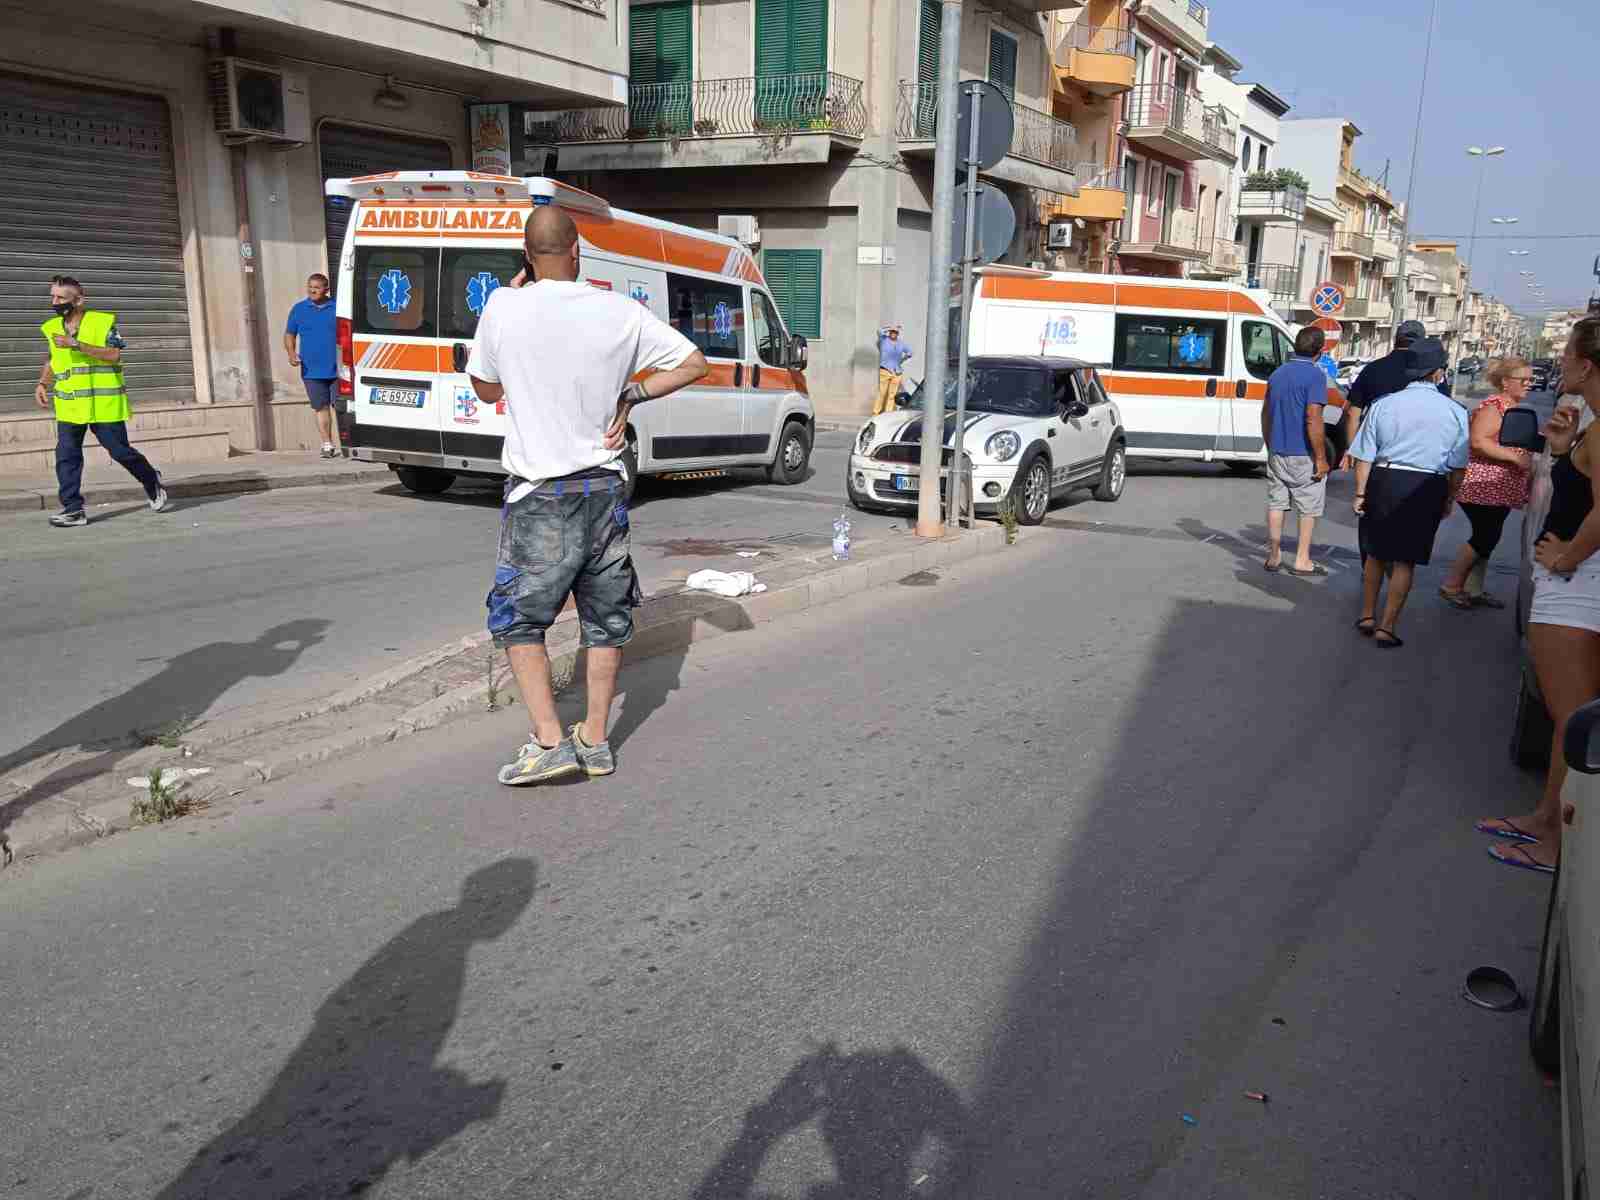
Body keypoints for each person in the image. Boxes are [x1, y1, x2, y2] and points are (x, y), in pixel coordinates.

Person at [467, 206, 708, 787]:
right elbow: (693, 364)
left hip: (538, 495)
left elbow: (484, 385)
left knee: (520, 621)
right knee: (606, 619)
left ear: (528, 256)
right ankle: (596, 740)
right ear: (578, 251)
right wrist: (629, 397)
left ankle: (551, 740)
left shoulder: (503, 306)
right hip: (604, 489)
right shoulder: (619, 310)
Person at [1482, 317, 1600, 874]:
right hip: (1574, 586)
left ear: (1587, 364)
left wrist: (1567, 556)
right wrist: (1558, 447)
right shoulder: (1591, 427)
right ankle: (1543, 819)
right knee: (1564, 719)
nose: (1562, 364)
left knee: (1572, 721)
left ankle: (1557, 847)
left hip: (1579, 588)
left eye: (1569, 354)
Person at [1348, 337, 1469, 647]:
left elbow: (1364, 454)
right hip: (1427, 485)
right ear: (1439, 373)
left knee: (1376, 552)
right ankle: (1387, 627)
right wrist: (1449, 498)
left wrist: (1360, 493)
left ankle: (1366, 614)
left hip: (1384, 480)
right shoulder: (1455, 411)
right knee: (1404, 560)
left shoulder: (1383, 404)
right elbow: (1458, 465)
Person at [35, 274, 169, 527]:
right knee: (67, 456)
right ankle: (73, 509)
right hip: (71, 405)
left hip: (104, 405)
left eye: (61, 297)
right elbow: (52, 358)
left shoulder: (103, 322)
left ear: (79, 300)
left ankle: (151, 480)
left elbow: (114, 354)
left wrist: (77, 344)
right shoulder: (51, 327)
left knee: (120, 452)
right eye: (52, 296)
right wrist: (43, 382)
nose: (55, 301)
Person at [1438, 356, 1534, 609]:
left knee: (1489, 536)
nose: (1529, 384)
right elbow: (1479, 441)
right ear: (1505, 382)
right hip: (1483, 484)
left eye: (1530, 379)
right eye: (1523, 380)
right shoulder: (1494, 407)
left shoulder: (1510, 406)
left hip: (1499, 486)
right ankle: (1452, 585)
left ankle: (1474, 589)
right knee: (1485, 536)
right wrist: (1513, 456)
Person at [1261, 326, 1331, 575]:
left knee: (1277, 503)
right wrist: (1321, 458)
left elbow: (1266, 414)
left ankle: (1274, 555)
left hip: (1277, 451)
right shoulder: (1315, 376)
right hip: (1303, 454)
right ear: (1320, 352)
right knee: (1308, 507)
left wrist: (1270, 445)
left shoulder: (1278, 374)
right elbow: (1313, 417)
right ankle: (1302, 560)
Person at [1341, 320, 1450, 462]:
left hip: (1377, 451)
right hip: (1421, 452)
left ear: (1395, 340)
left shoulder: (1372, 369)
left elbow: (1352, 414)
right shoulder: (1431, 373)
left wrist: (1352, 450)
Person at [284, 273, 341, 459]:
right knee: (321, 407)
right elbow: (289, 334)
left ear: (326, 289)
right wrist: (291, 353)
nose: (312, 290)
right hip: (312, 370)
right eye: (310, 287)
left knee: (340, 407)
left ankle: (347, 443)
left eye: (316, 287)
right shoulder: (299, 309)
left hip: (339, 369)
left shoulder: (338, 308)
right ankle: (327, 444)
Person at [874, 324, 913, 416]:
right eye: (892, 332)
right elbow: (879, 330)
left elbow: (910, 352)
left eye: (895, 332)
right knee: (882, 393)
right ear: (889, 332)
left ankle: (887, 414)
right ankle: (876, 412)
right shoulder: (884, 340)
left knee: (892, 395)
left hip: (897, 372)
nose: (893, 333)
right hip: (885, 370)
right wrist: (890, 326)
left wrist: (902, 360)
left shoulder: (901, 343)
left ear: (897, 334)